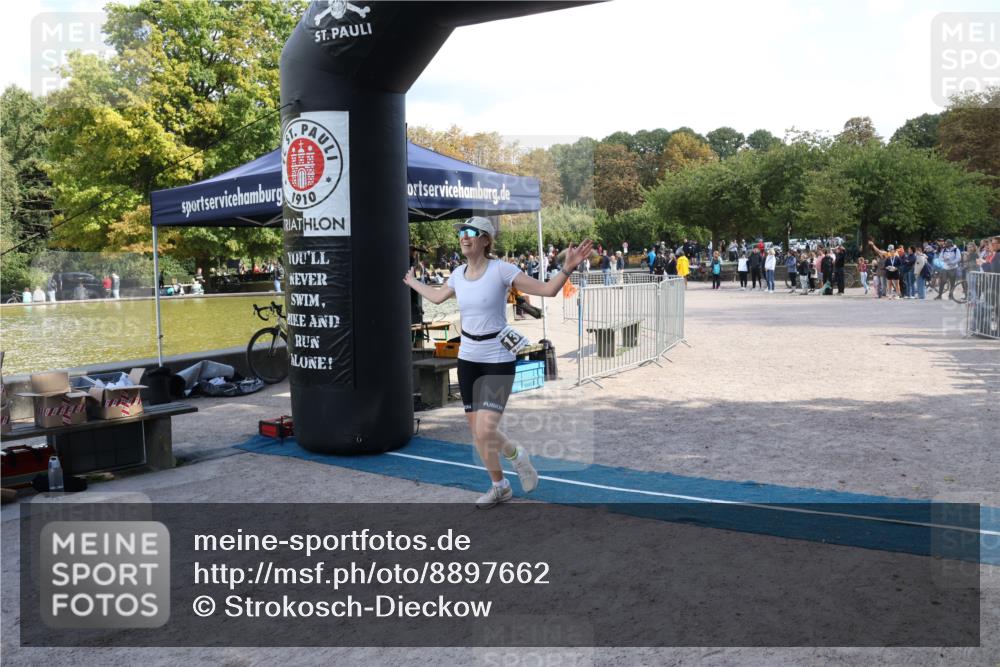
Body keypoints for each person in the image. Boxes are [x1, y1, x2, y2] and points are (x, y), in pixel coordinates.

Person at [403, 216, 593, 509]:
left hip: (497, 358)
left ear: (486, 240)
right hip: (468, 358)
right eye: (461, 233)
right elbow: (438, 297)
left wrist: (567, 267)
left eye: (471, 232)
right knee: (478, 430)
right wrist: (413, 282)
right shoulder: (456, 274)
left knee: (484, 429)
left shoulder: (502, 270)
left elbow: (546, 291)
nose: (463, 237)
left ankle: (517, 457)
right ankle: (500, 485)